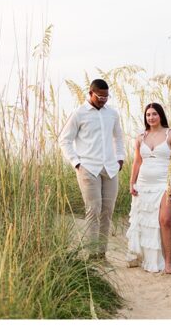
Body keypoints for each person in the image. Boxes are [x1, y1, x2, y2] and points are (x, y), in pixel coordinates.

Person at [58, 79, 125, 259]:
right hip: (88, 168)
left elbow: (118, 137)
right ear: (90, 93)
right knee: (93, 210)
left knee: (107, 210)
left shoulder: (112, 113)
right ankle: (91, 254)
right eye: (100, 96)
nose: (103, 100)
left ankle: (102, 254)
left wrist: (120, 158)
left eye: (106, 96)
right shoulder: (78, 113)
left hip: (110, 168)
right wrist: (76, 163)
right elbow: (64, 140)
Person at [126, 103, 171, 273]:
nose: (151, 117)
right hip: (143, 185)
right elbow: (137, 161)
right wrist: (132, 183)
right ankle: (150, 260)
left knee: (165, 220)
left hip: (164, 183)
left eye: (154, 114)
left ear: (160, 115)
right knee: (147, 223)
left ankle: (168, 262)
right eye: (148, 115)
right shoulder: (140, 137)